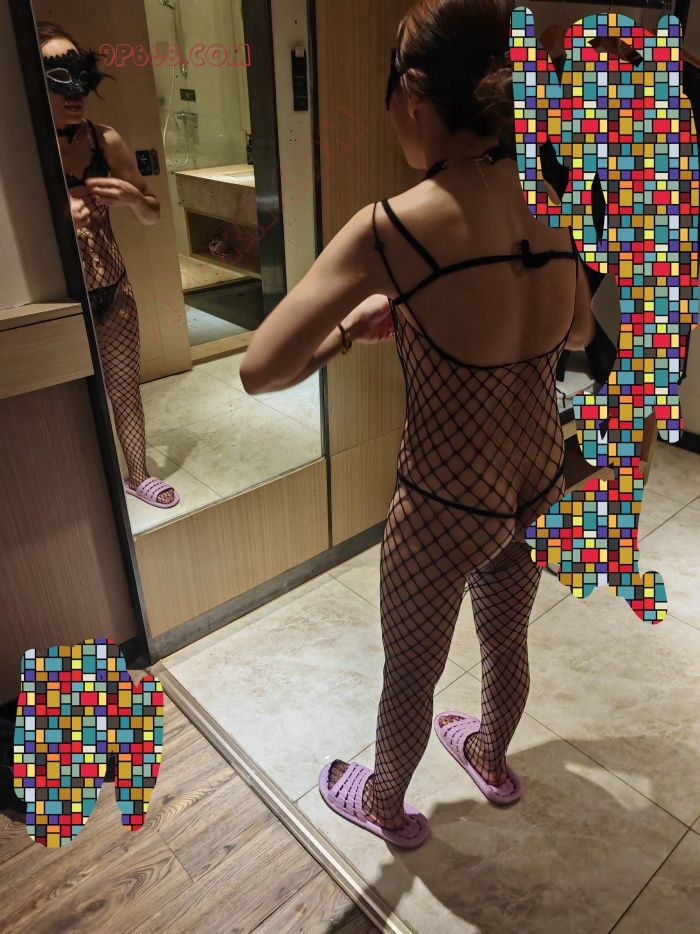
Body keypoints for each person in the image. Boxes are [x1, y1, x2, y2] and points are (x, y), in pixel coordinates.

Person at [240, 0, 596, 848]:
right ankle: (492, 759)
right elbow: (582, 332)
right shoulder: (549, 198)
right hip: (538, 474)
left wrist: (345, 333)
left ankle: (385, 804)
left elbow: (261, 369)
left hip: (445, 500)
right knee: (506, 641)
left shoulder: (393, 226)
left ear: (412, 95)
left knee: (411, 671)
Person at [39, 21, 180, 509]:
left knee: (124, 389)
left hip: (112, 289)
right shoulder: (23, 151)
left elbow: (154, 212)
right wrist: (55, 216)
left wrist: (134, 199)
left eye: (80, 74)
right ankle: (74, 497)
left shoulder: (106, 141)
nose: (75, 91)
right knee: (65, 406)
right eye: (58, 76)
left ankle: (138, 475)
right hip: (56, 301)